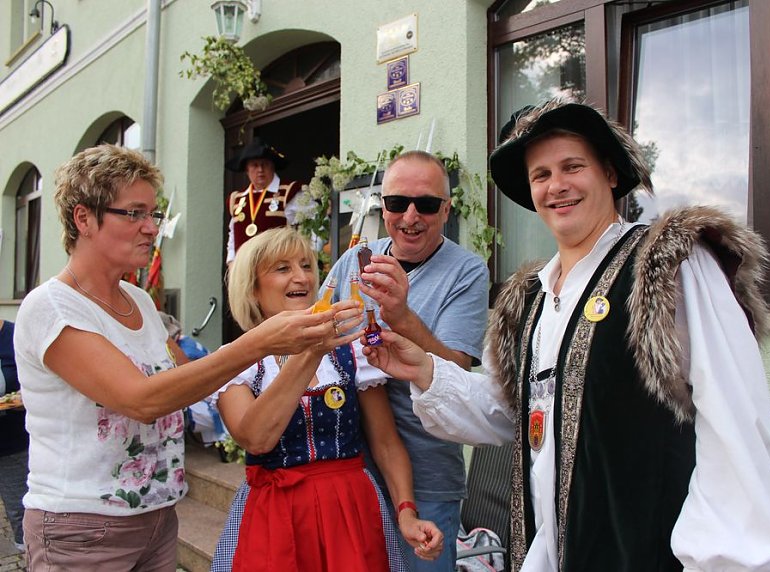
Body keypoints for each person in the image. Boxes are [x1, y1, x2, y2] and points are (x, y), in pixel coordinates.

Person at [362, 98, 770, 571]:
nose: (556, 186)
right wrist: (423, 368)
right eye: (540, 175)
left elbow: (735, 426)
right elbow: (508, 413)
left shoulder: (667, 265)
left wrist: (716, 560)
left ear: (611, 174)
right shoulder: (531, 299)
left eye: (572, 166)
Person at [13, 144, 358, 571]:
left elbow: (190, 380)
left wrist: (302, 345)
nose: (150, 228)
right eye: (134, 214)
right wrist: (258, 343)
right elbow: (143, 400)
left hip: (156, 519)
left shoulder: (138, 301)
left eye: (153, 215)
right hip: (84, 526)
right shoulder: (52, 306)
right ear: (84, 218)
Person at [210, 227, 443, 571]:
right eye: (282, 268)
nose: (301, 276)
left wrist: (406, 512)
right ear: (252, 289)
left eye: (306, 265)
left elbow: (386, 444)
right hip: (277, 513)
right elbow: (256, 438)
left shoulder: (350, 352)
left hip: (350, 509)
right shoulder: (236, 361)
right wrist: (311, 350)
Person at [326, 150, 490, 571]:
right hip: (349, 467)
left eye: (427, 204)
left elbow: (455, 372)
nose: (410, 216)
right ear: (384, 206)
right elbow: (320, 334)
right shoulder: (353, 261)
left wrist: (400, 315)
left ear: (447, 209)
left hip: (427, 474)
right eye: (398, 203)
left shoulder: (467, 271)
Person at [226, 137, 313, 265]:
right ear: (247, 169)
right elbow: (233, 238)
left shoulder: (289, 192)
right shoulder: (237, 199)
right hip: (245, 270)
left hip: (278, 268)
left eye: (264, 164)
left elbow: (316, 222)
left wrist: (310, 257)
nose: (260, 170)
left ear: (272, 167)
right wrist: (232, 264)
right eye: (255, 165)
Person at [0, 319, 27, 553]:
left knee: (21, 510)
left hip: (13, 444)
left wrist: (23, 399)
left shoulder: (16, 335)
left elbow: (38, 378)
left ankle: (30, 556)